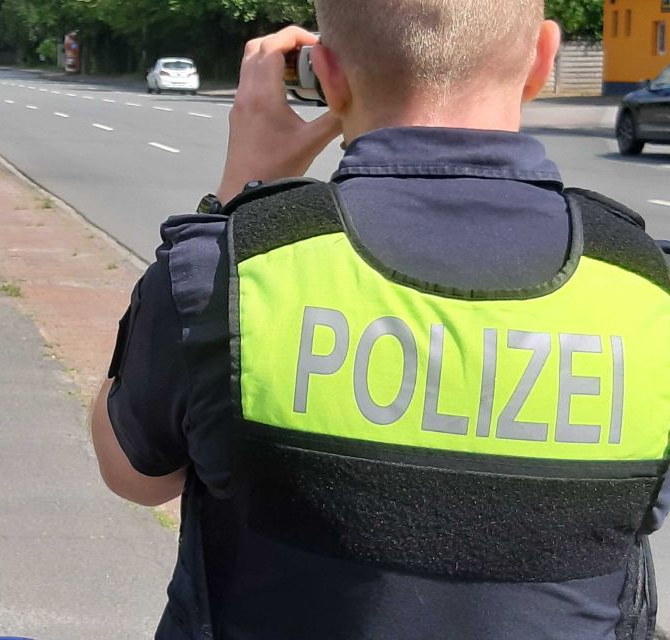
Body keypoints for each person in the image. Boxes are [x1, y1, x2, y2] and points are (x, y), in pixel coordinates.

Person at [92, 2, 670, 639]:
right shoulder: (650, 291)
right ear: (542, 58)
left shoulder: (220, 273)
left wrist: (240, 197)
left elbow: (137, 477)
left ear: (327, 78)